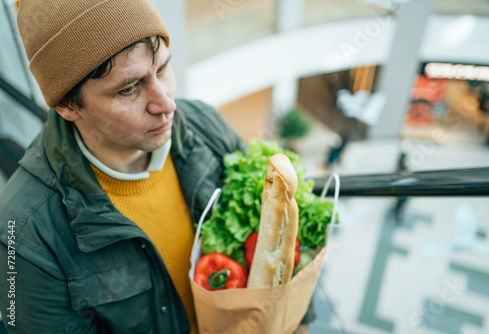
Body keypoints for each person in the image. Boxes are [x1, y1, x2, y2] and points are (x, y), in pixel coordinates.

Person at [0, 0, 313, 332]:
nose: (166, 103)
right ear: (67, 106)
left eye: (162, 68)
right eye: (130, 88)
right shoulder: (24, 235)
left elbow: (279, 232)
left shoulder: (202, 123)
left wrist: (296, 320)